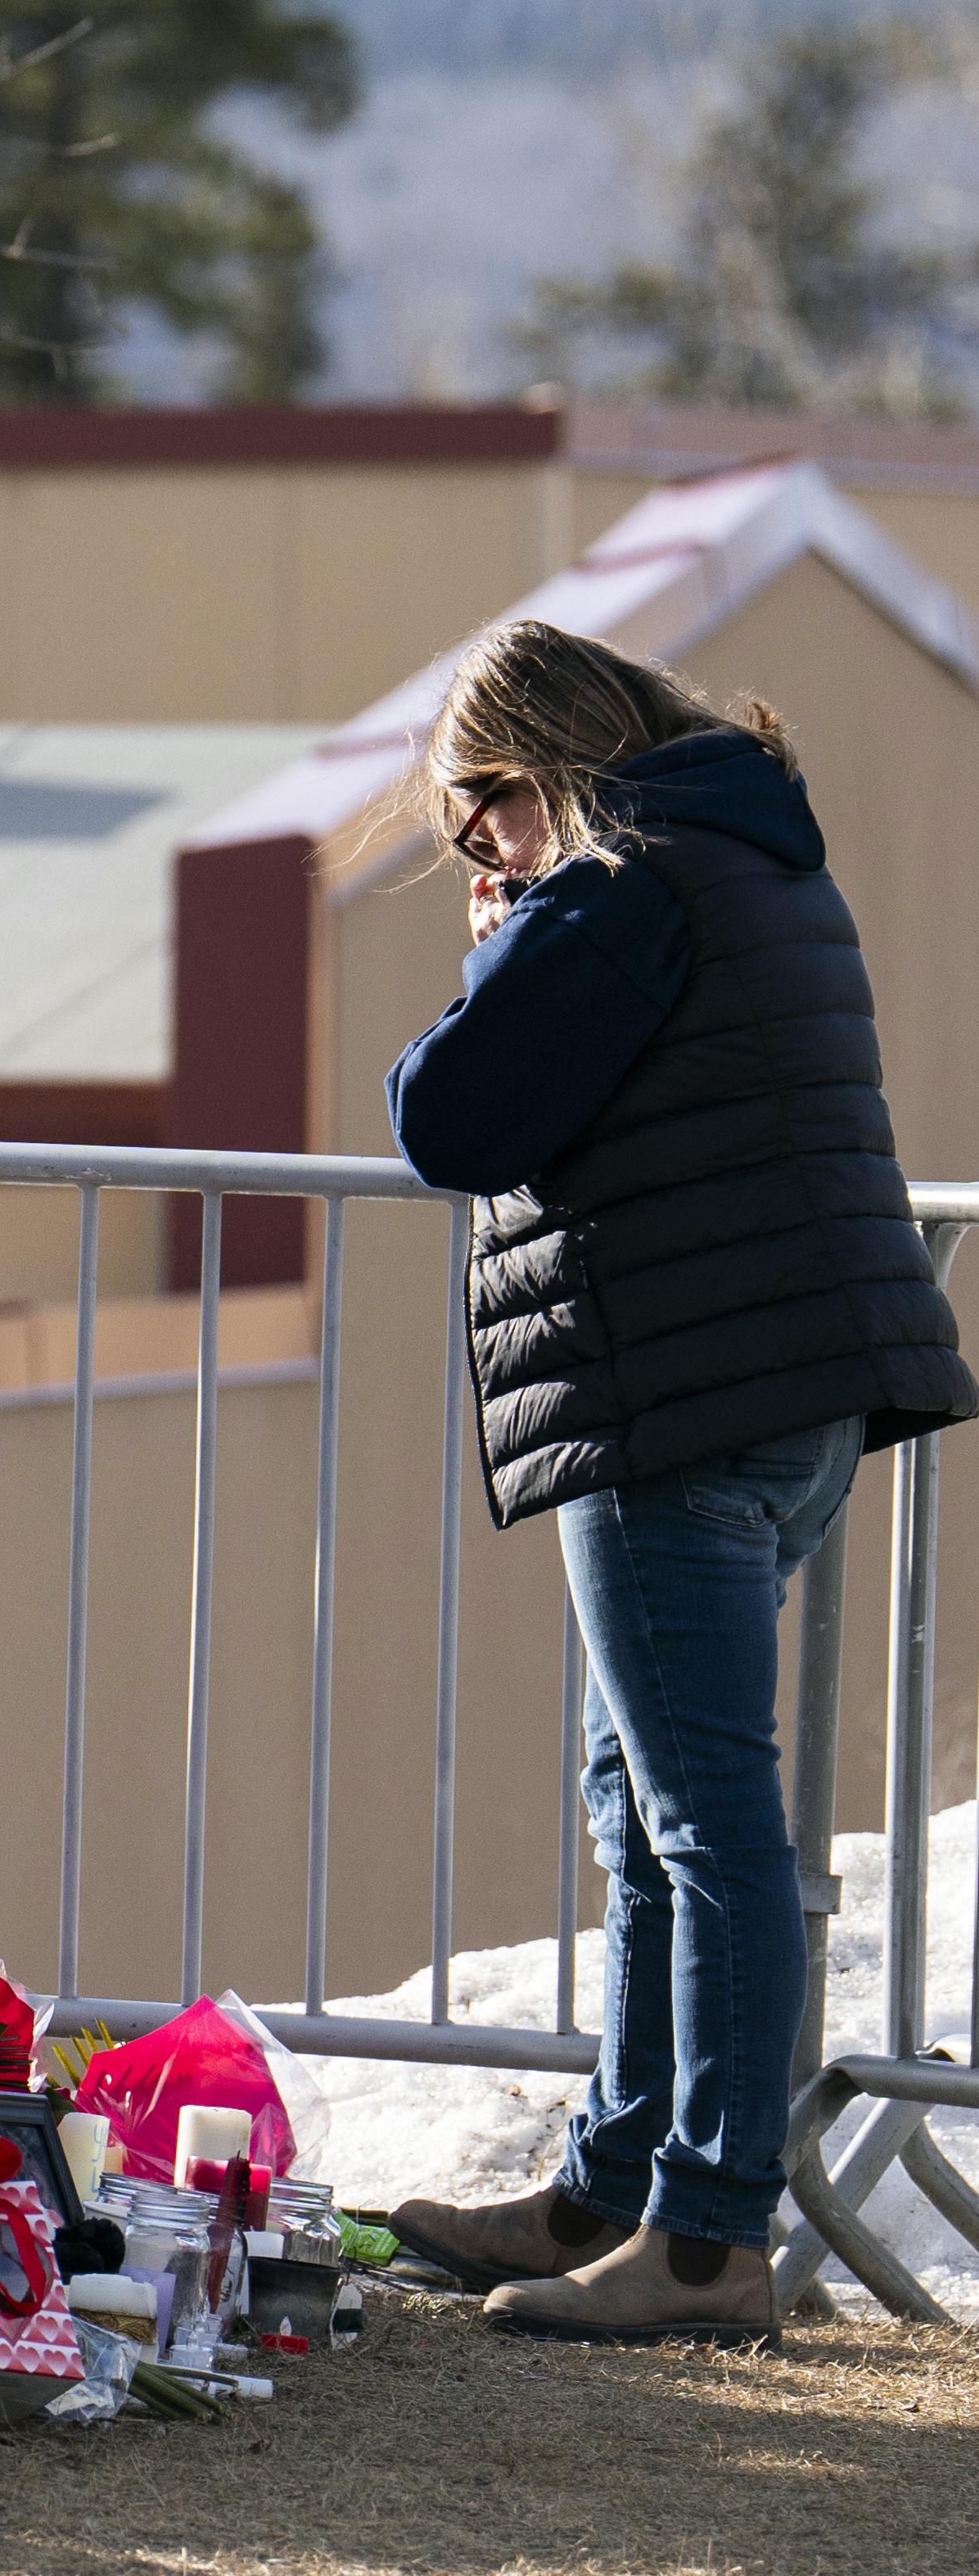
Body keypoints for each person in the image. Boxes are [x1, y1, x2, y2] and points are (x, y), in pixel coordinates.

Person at [377, 617, 972, 2346]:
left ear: (544, 756)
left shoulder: (616, 886)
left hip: (673, 1401)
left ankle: (702, 2239)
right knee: (645, 1812)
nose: (474, 846)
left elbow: (450, 1119)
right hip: (785, 1402)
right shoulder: (754, 855)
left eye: (478, 804)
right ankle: (608, 2190)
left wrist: (494, 947)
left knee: (706, 1828)